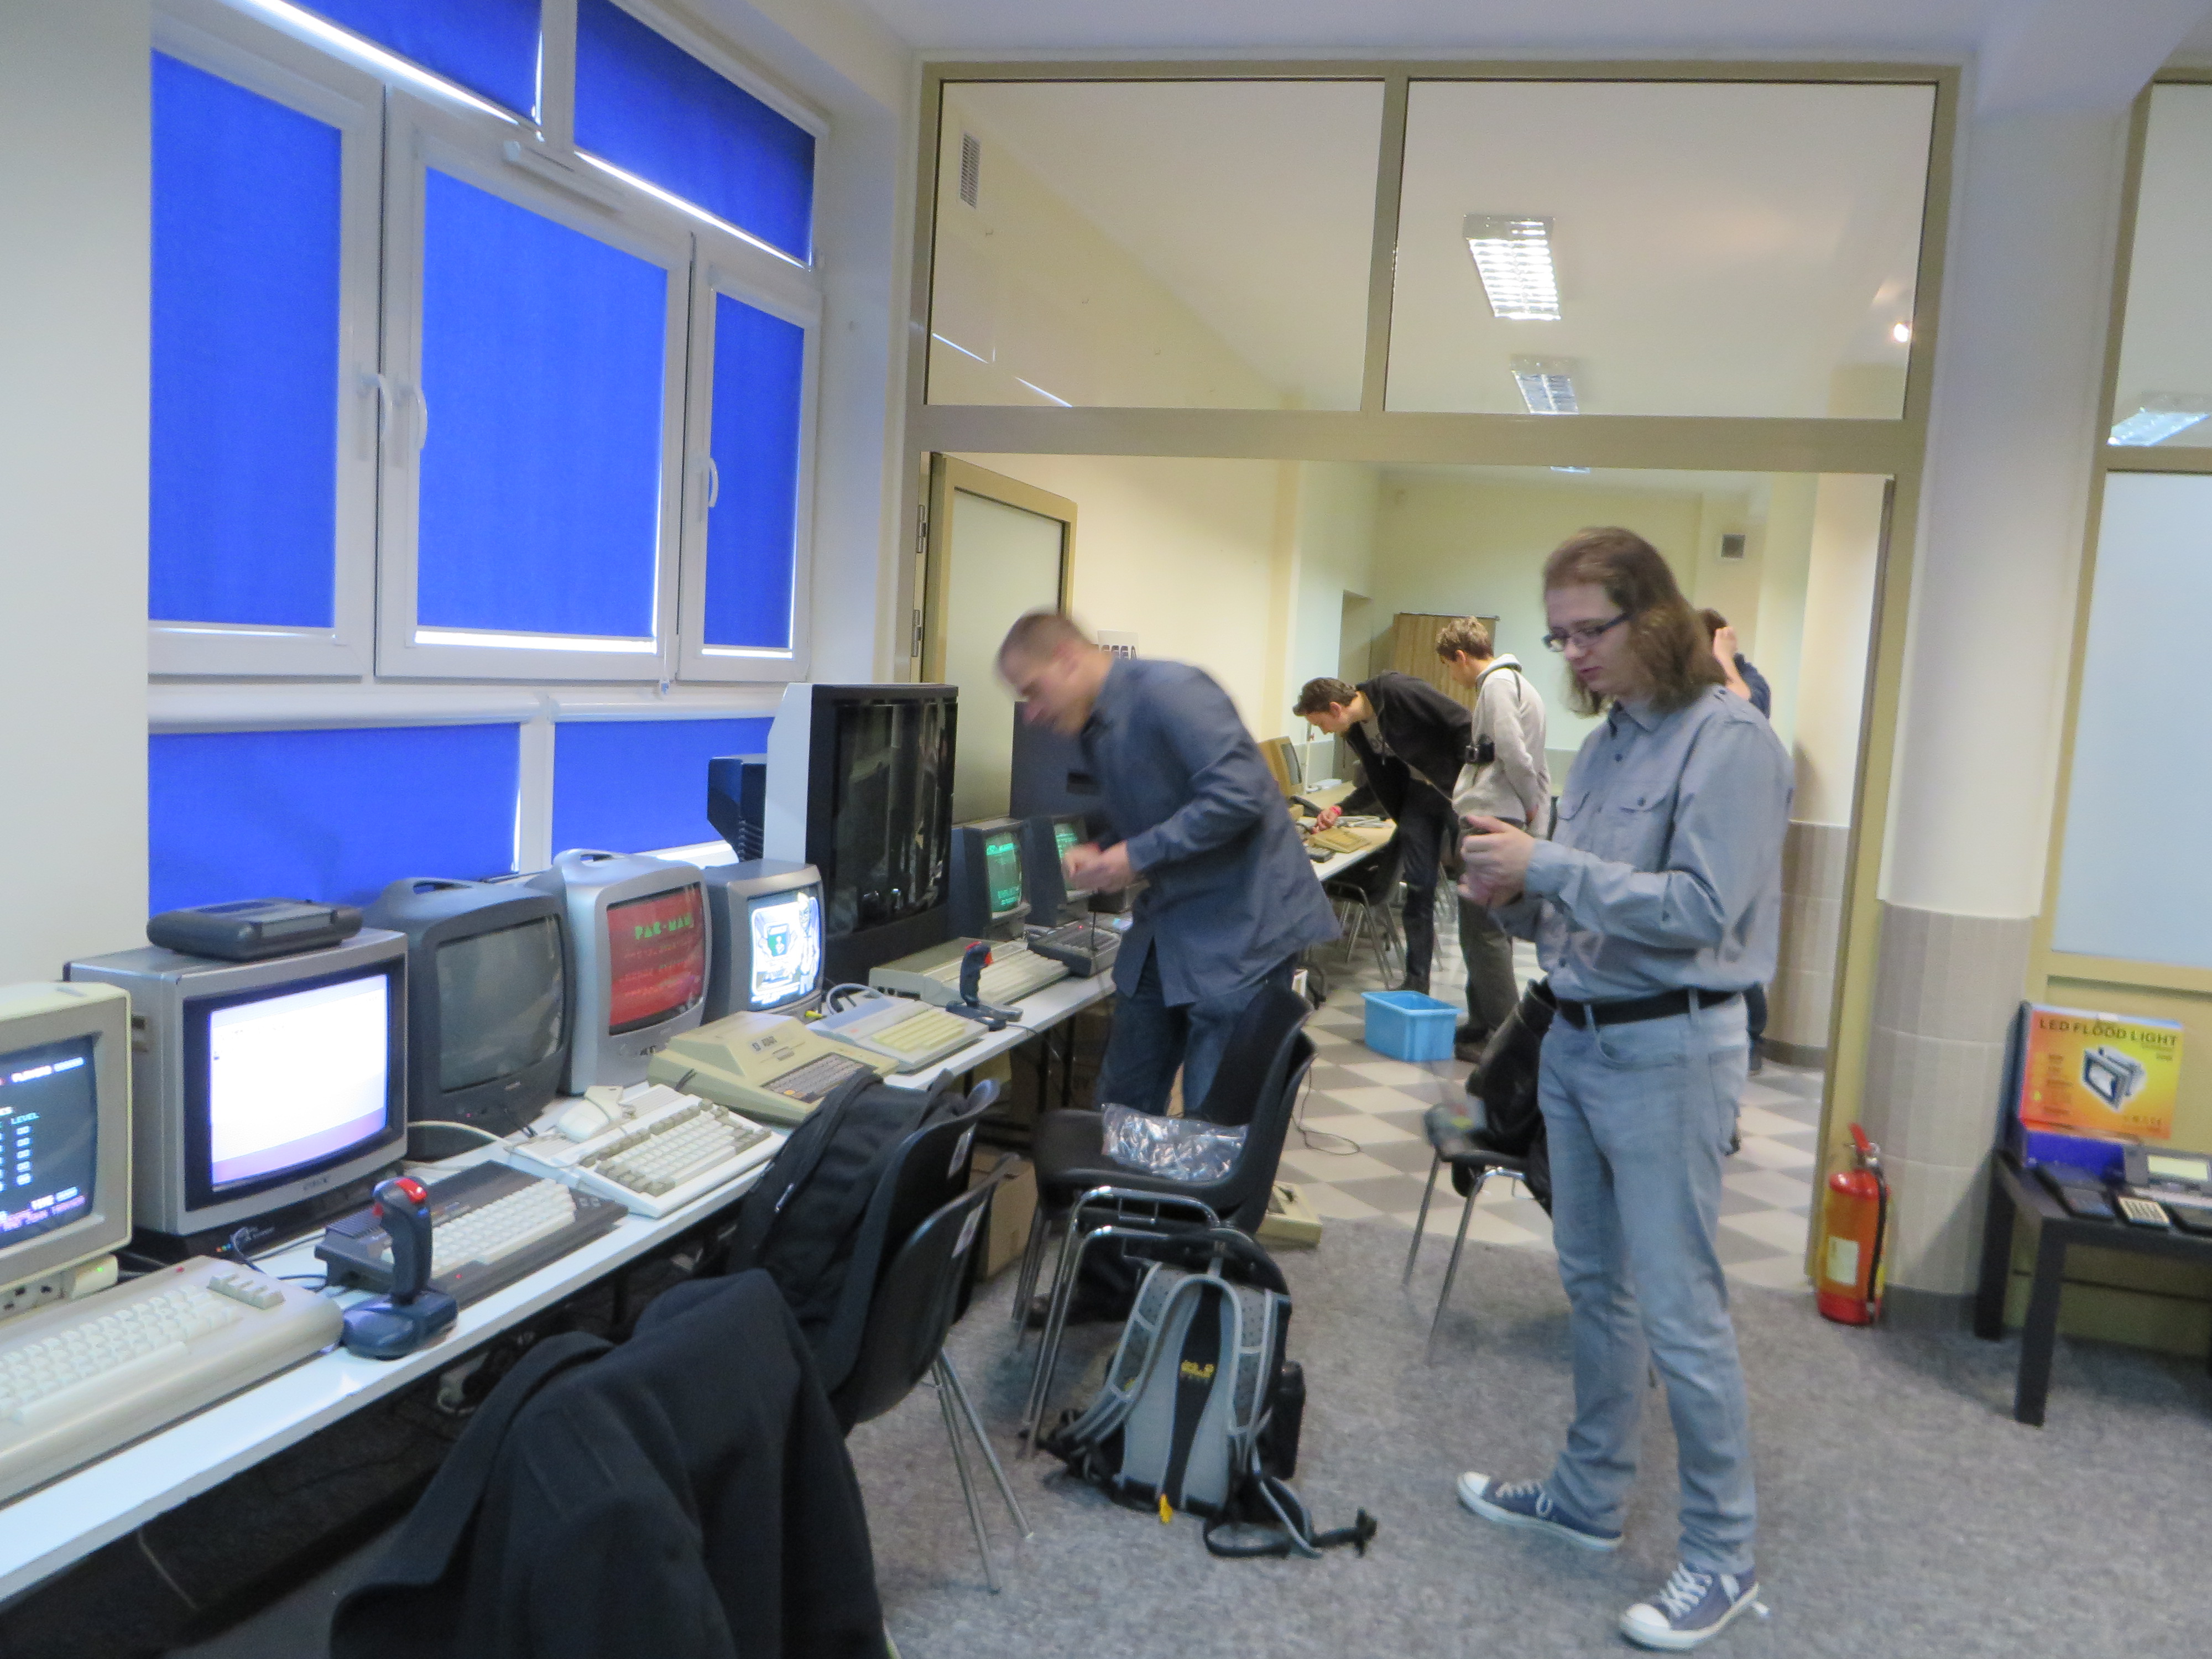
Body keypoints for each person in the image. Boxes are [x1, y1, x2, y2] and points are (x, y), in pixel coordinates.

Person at [1453, 529, 1791, 1652]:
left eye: (1588, 630)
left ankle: (1721, 1557)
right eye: (1557, 637)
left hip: (1671, 1050)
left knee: (1680, 1310)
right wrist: (1511, 892)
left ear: (1654, 616)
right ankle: (1587, 1497)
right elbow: (1575, 908)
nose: (1573, 655)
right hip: (1577, 1038)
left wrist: (1546, 865)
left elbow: (1700, 909)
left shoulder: (1731, 742)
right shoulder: (1601, 749)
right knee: (1596, 1287)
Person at [997, 612, 1338, 1116]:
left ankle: (1197, 1170)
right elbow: (1159, 814)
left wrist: (1135, 855)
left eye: (1033, 691)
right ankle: (1120, 1172)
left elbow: (1240, 794)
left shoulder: (1171, 691)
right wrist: (1107, 850)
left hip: (1240, 932)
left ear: (1067, 660)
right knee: (1120, 1104)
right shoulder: (1096, 727)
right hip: (1169, 929)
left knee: (1212, 1122)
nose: (1031, 714)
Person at [1291, 669, 1471, 999]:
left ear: (1335, 708)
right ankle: (1417, 983)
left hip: (1457, 794)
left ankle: (1485, 994)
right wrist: (1341, 808)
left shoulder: (1395, 690)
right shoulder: (1358, 731)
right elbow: (1379, 781)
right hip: (1419, 798)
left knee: (1474, 890)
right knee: (1419, 890)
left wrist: (1465, 782)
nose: (1324, 731)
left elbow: (1462, 722)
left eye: (1321, 724)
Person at [1434, 617, 1550, 1061]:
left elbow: (1514, 754)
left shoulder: (1497, 685)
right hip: (1504, 817)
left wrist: (1530, 805)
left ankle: (1503, 1041)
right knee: (1483, 932)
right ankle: (1481, 1021)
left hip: (1491, 818)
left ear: (1461, 657)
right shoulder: (1521, 685)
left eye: (1449, 666)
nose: (1453, 677)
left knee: (1484, 935)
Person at [1699, 608, 1771, 1073]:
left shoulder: (1747, 679)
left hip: (1741, 834)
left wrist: (1724, 658)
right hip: (1706, 829)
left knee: (1736, 936)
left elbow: (1748, 710)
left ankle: (1752, 1034)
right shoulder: (1698, 687)